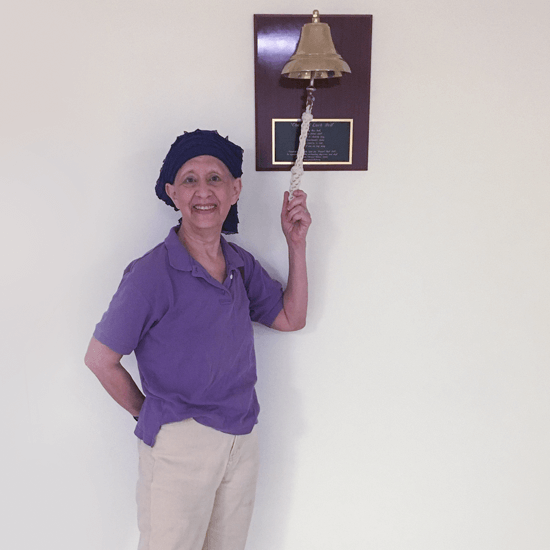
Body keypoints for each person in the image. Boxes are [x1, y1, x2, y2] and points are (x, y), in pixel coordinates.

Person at [84, 129, 311, 550]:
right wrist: (155, 416)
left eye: (215, 178)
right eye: (189, 179)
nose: (202, 192)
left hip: (240, 440)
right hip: (179, 445)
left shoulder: (240, 264)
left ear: (235, 189)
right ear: (172, 193)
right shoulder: (151, 274)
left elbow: (289, 317)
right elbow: (100, 359)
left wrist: (295, 243)